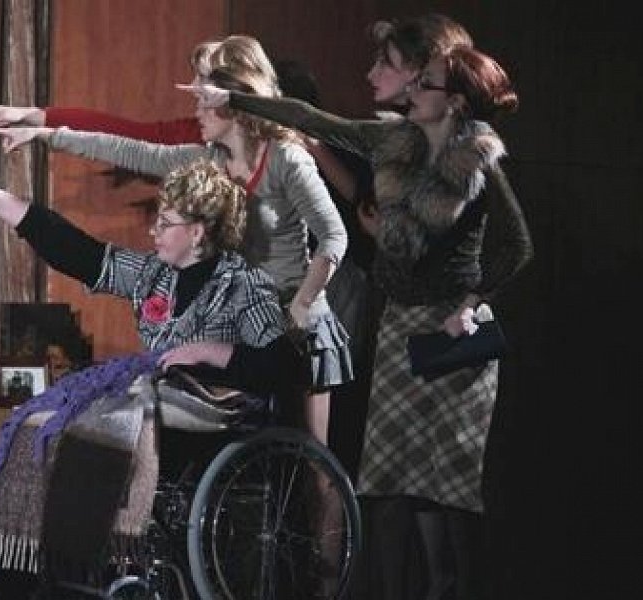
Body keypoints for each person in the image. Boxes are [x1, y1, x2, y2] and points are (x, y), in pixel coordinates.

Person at [184, 38, 533, 600]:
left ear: (455, 103)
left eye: (425, 83)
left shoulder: (479, 160)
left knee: (448, 493)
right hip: (400, 327)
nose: (412, 89)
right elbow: (312, 118)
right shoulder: (393, 140)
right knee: (390, 484)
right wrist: (236, 99)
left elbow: (516, 245)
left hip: (454, 334)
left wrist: (470, 304)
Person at [0, 158, 309, 599]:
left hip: (212, 413)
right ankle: (23, 572)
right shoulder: (154, 275)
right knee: (38, 429)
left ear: (197, 232)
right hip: (154, 399)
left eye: (165, 223)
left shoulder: (243, 286)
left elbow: (285, 365)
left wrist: (213, 351)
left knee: (84, 435)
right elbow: (76, 251)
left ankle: (58, 574)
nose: (154, 231)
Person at [0, 38, 352, 446]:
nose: (196, 109)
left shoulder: (286, 160)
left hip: (294, 315)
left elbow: (334, 236)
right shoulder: (210, 160)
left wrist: (302, 302)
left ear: (233, 102)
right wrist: (46, 134)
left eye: (204, 98)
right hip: (239, 310)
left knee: (311, 450)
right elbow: (130, 148)